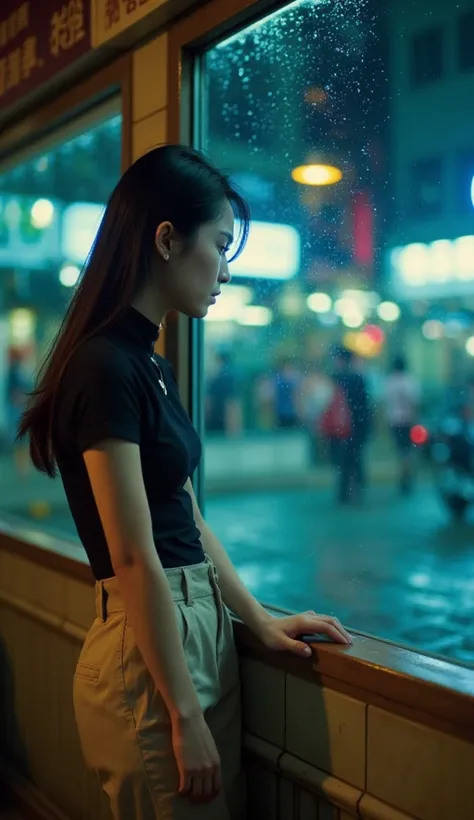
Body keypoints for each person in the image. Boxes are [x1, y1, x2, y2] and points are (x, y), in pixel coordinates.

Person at [18, 145, 351, 820]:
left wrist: (257, 622)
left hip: (193, 630)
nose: (228, 270)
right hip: (151, 653)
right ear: (168, 240)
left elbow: (188, 520)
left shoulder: (150, 364)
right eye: (221, 246)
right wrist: (182, 711)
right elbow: (135, 554)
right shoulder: (106, 367)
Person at [330, 346, 371, 505]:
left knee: (344, 460)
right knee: (355, 458)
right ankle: (357, 490)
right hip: (357, 426)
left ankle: (344, 493)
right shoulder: (358, 378)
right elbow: (365, 405)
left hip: (343, 427)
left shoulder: (338, 379)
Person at [384, 355, 420, 494]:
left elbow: (386, 402)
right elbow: (415, 402)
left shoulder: (389, 382)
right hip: (408, 420)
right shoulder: (410, 381)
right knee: (408, 451)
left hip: (394, 421)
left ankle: (403, 476)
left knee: (400, 450)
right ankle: (406, 477)